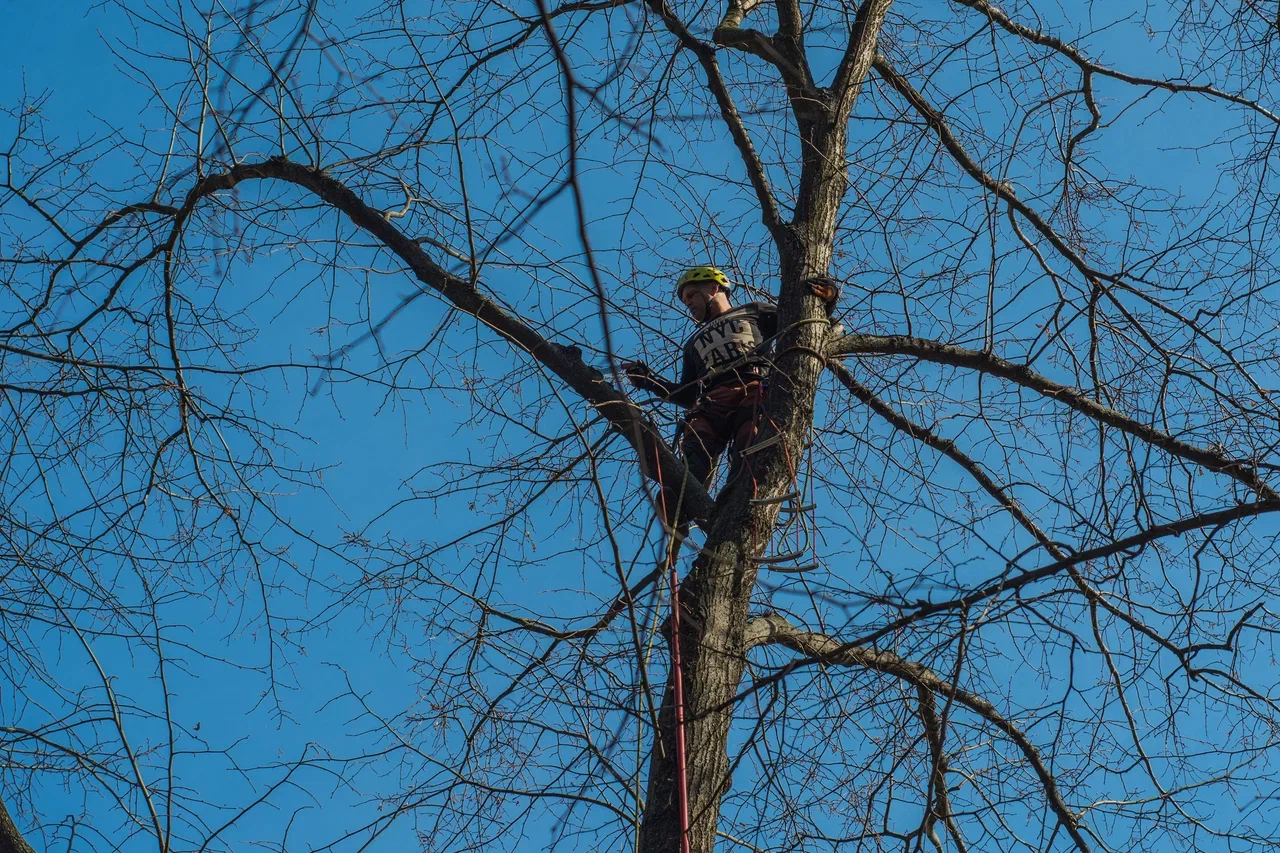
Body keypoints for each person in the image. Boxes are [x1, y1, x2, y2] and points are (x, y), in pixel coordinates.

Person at [623, 266, 838, 506]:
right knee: (697, 444)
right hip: (712, 399)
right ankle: (680, 502)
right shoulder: (693, 343)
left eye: (692, 295)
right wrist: (649, 381)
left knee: (750, 442)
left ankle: (736, 496)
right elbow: (687, 393)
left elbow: (804, 324)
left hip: (753, 387)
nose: (689, 304)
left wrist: (826, 301)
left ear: (713, 288)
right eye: (685, 301)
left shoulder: (754, 311)